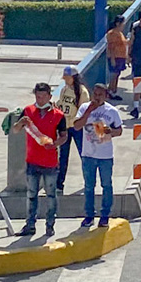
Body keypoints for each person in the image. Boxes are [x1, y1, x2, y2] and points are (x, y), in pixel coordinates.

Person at [20, 82, 66, 236]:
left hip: (50, 161)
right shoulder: (27, 111)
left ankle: (50, 225)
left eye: (43, 96)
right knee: (31, 194)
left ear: (49, 96)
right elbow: (14, 129)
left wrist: (54, 144)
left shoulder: (58, 115)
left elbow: (64, 136)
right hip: (32, 160)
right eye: (37, 96)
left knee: (51, 195)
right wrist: (20, 122)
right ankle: (30, 224)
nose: (39, 100)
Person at [77, 82, 123, 230]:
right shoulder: (84, 108)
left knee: (106, 185)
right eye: (95, 94)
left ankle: (105, 215)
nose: (97, 97)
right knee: (89, 186)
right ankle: (89, 215)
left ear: (105, 96)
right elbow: (77, 125)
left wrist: (111, 132)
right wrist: (89, 111)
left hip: (105, 155)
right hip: (88, 154)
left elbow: (119, 130)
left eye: (100, 95)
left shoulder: (112, 111)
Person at [55, 65, 87, 194]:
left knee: (83, 154)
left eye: (67, 78)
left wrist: (76, 122)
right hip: (65, 127)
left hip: (76, 128)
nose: (65, 80)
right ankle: (59, 183)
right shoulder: (64, 89)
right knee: (63, 156)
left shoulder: (82, 92)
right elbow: (60, 105)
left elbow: (83, 110)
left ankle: (88, 181)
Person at [103, 15, 129, 99]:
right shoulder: (112, 33)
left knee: (117, 74)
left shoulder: (120, 33)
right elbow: (111, 47)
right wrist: (113, 59)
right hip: (115, 57)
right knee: (113, 75)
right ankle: (110, 91)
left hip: (121, 56)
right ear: (118, 23)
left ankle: (114, 90)